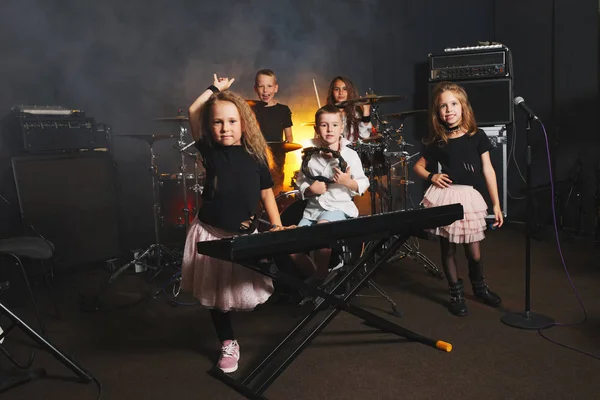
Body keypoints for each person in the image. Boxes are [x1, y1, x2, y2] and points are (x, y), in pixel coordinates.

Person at [181, 74, 286, 374]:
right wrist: (216, 90)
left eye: (231, 121)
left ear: (244, 123)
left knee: (245, 287)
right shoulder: (211, 152)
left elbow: (267, 193)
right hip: (211, 233)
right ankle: (227, 340)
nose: (225, 128)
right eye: (218, 122)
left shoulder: (256, 157)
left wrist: (277, 228)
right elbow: (192, 111)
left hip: (243, 236)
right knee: (216, 297)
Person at [413, 81, 504, 317]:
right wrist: (432, 176)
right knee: (449, 251)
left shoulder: (477, 136)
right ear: (438, 112)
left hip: (470, 198)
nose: (449, 109)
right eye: (443, 106)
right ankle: (456, 293)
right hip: (447, 198)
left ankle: (480, 288)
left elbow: (488, 170)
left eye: (453, 104)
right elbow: (419, 167)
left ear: (463, 107)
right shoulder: (438, 141)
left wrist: (496, 204)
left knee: (474, 252)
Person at [292, 104, 369, 280]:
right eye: (324, 125)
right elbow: (301, 183)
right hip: (313, 210)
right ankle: (318, 277)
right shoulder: (310, 156)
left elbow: (363, 183)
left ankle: (320, 275)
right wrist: (310, 190)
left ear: (342, 127)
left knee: (322, 230)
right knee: (292, 246)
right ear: (316, 128)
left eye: (334, 125)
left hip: (338, 208)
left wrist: (346, 181)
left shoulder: (350, 155)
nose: (329, 129)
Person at [251, 69, 293, 195]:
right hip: (256, 157)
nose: (265, 90)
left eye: (269, 86)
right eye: (261, 86)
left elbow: (289, 136)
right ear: (255, 88)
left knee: (276, 189)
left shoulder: (283, 110)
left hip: (277, 158)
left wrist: (287, 144)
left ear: (276, 88)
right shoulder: (251, 109)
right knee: (256, 189)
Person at [326, 76, 373, 143]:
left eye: (345, 89)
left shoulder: (356, 112)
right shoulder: (326, 113)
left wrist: (366, 111)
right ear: (332, 92)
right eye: (336, 89)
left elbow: (365, 135)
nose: (341, 93)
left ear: (350, 91)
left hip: (352, 151)